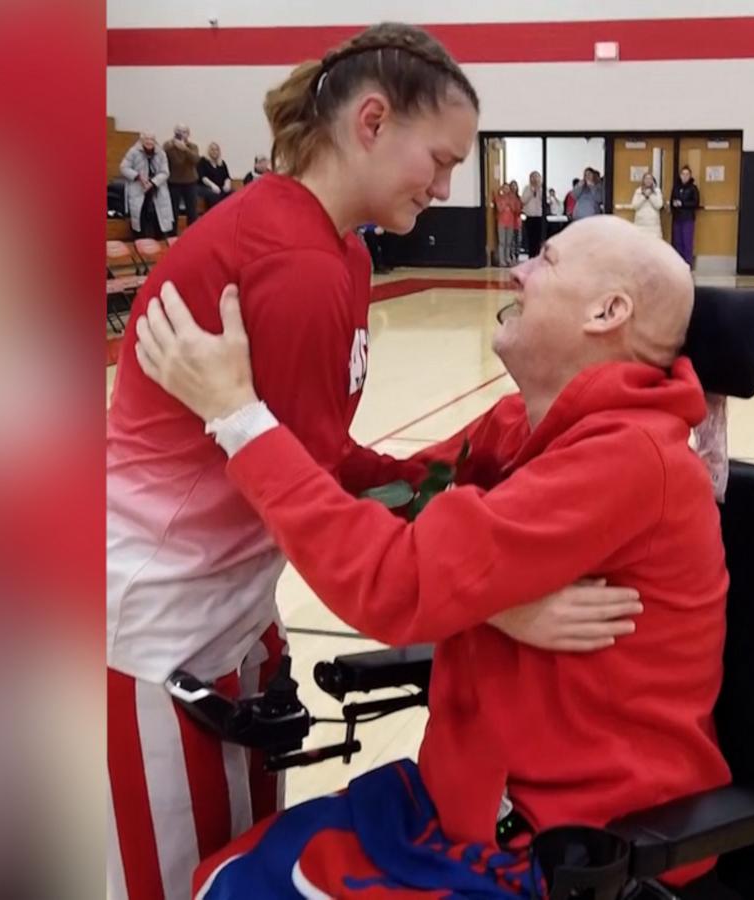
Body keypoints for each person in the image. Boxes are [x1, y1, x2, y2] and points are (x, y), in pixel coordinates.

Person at [106, 25, 632, 900]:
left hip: (228, 607)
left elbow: (324, 462)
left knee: (230, 870)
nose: (448, 184)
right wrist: (495, 599)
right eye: (441, 158)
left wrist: (467, 479)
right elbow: (315, 514)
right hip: (160, 625)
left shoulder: (341, 252)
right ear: (373, 122)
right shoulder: (296, 264)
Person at [133, 214, 731, 896]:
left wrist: (239, 420)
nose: (519, 270)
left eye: (548, 260)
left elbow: (398, 582)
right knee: (224, 878)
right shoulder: (529, 424)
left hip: (567, 847)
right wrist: (495, 604)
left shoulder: (629, 459)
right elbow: (397, 498)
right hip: (473, 804)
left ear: (607, 311)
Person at [119, 132, 173, 239]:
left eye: (151, 139)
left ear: (155, 141)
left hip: (156, 187)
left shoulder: (161, 153)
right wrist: (138, 176)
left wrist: (153, 182)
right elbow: (123, 168)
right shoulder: (133, 151)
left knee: (159, 216)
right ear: (141, 141)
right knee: (140, 216)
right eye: (146, 139)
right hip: (139, 187)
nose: (149, 142)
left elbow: (165, 172)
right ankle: (140, 239)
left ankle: (159, 239)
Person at [164, 124, 202, 225]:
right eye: (178, 131)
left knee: (192, 211)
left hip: (190, 182)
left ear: (188, 134)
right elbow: (163, 160)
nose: (181, 134)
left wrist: (185, 149)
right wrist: (171, 146)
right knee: (173, 210)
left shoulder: (193, 146)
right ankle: (172, 235)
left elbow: (196, 160)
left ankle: (192, 234)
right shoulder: (168, 146)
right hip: (173, 182)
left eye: (184, 132)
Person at [670, 165, 701, 265]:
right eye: (683, 174)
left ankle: (688, 263)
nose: (685, 176)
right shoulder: (676, 187)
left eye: (687, 174)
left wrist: (682, 203)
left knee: (687, 241)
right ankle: (678, 263)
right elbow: (672, 200)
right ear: (680, 175)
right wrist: (673, 204)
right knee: (677, 242)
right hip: (677, 218)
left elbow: (695, 203)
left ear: (690, 175)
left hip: (688, 218)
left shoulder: (693, 188)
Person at [197, 142, 234, 212]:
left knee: (232, 193)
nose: (214, 151)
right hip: (205, 187)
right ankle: (215, 215)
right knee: (214, 194)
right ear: (209, 151)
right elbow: (203, 177)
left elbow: (227, 177)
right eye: (212, 150)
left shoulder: (222, 163)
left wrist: (227, 184)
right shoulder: (203, 161)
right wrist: (212, 185)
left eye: (216, 150)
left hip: (219, 186)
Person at [629, 171, 665, 241]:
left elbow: (659, 205)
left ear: (652, 180)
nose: (648, 180)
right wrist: (644, 196)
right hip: (640, 223)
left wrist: (650, 195)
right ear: (643, 180)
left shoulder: (657, 191)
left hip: (653, 225)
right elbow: (634, 205)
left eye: (650, 179)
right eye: (646, 179)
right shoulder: (638, 191)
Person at [494, 180, 522, 266]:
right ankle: (501, 260)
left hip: (511, 222)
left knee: (509, 242)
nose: (506, 190)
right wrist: (505, 203)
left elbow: (516, 210)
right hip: (501, 222)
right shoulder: (499, 198)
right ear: (502, 189)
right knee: (502, 242)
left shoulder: (513, 198)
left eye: (507, 188)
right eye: (504, 188)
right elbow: (499, 209)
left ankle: (507, 258)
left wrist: (511, 204)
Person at [519, 170, 546, 260]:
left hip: (539, 217)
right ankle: (531, 257)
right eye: (533, 177)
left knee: (538, 239)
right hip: (529, 217)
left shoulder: (542, 189)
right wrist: (531, 192)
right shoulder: (527, 188)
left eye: (536, 177)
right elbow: (523, 200)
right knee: (530, 238)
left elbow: (545, 201)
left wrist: (539, 190)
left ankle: (537, 257)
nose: (534, 179)